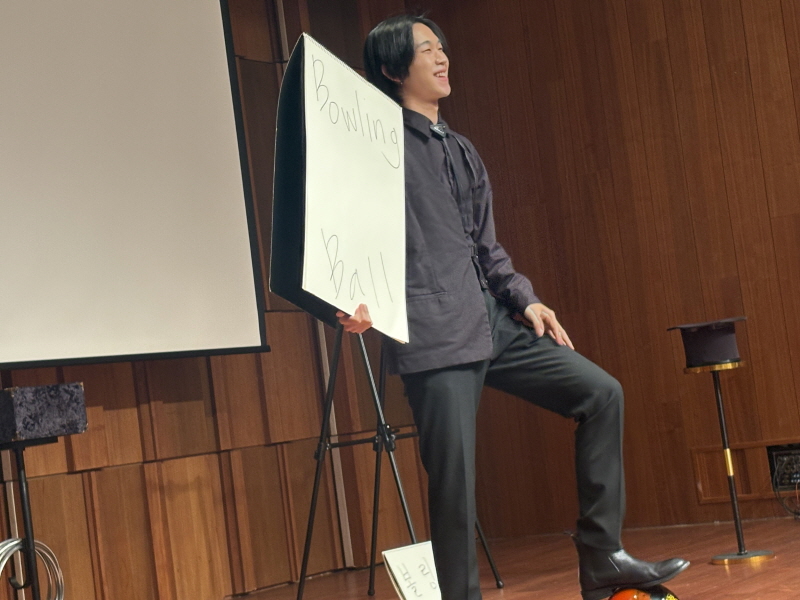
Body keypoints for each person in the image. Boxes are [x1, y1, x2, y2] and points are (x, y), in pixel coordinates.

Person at [338, 14, 689, 600]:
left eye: (442, 47)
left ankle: (603, 557)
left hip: (492, 321)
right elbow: (343, 230)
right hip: (433, 332)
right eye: (426, 50)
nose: (442, 57)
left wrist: (527, 299)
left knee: (601, 394)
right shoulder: (377, 147)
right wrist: (348, 297)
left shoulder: (461, 149)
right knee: (455, 486)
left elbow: (487, 248)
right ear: (392, 69)